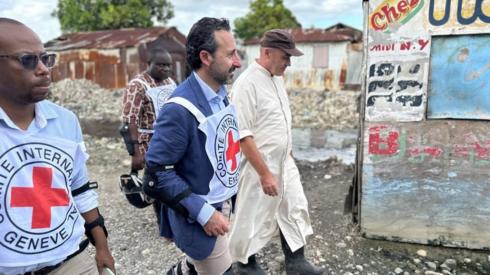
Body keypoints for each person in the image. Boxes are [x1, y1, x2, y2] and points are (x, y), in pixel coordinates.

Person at [0, 18, 115, 275]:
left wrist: (102, 246)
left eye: (45, 59)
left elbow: (80, 188)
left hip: (71, 261)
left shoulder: (65, 121)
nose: (43, 69)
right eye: (28, 60)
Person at [143, 17, 241, 275]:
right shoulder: (179, 108)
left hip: (223, 204)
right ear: (206, 57)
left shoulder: (219, 95)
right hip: (201, 214)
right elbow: (155, 175)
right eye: (231, 54)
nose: (238, 61)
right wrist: (204, 214)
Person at [229, 29, 325, 275]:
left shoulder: (277, 78)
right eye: (286, 57)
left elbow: (279, 122)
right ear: (267, 52)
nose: (289, 63)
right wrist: (265, 174)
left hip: (284, 162)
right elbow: (243, 134)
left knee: (293, 206)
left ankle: (296, 262)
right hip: (257, 166)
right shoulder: (246, 84)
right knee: (251, 215)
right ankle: (246, 265)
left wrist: (288, 154)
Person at [120, 47, 176, 220]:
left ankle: (172, 217)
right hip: (149, 142)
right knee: (157, 181)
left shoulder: (170, 83)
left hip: (171, 139)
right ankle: (162, 222)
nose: (165, 69)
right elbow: (129, 121)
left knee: (174, 178)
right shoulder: (138, 85)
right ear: (149, 64)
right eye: (160, 65)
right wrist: (135, 153)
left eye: (168, 65)